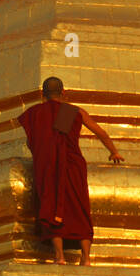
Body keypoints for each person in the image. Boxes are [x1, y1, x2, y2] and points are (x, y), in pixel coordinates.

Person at [18, 77, 124, 265]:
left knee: (52, 205)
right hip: (73, 165)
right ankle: (86, 257)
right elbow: (100, 132)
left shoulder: (35, 113)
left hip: (49, 167)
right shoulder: (71, 112)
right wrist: (113, 151)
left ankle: (59, 256)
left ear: (42, 95)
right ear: (64, 93)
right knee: (79, 208)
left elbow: (31, 142)